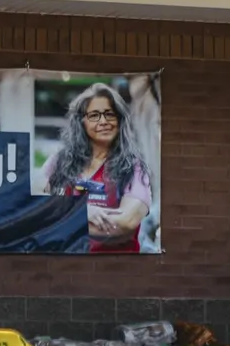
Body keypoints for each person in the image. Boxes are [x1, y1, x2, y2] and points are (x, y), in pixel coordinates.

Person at [40, 82, 153, 254]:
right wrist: (83, 211)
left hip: (116, 271)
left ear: (120, 120)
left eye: (109, 114)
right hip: (65, 267)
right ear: (81, 122)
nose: (103, 121)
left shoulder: (134, 168)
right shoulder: (59, 161)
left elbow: (125, 223)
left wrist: (74, 214)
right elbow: (33, 207)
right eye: (94, 115)